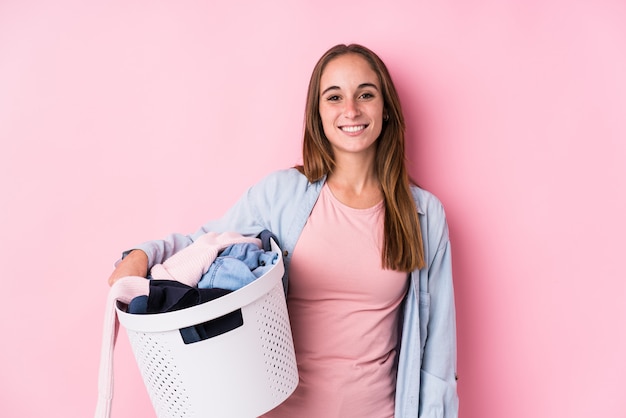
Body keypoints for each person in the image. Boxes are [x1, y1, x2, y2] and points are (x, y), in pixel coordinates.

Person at [108, 43, 458, 417]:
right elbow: (202, 244)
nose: (351, 110)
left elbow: (438, 353)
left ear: (385, 108)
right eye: (334, 97)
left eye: (365, 94)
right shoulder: (281, 195)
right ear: (318, 113)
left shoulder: (423, 215)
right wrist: (140, 256)